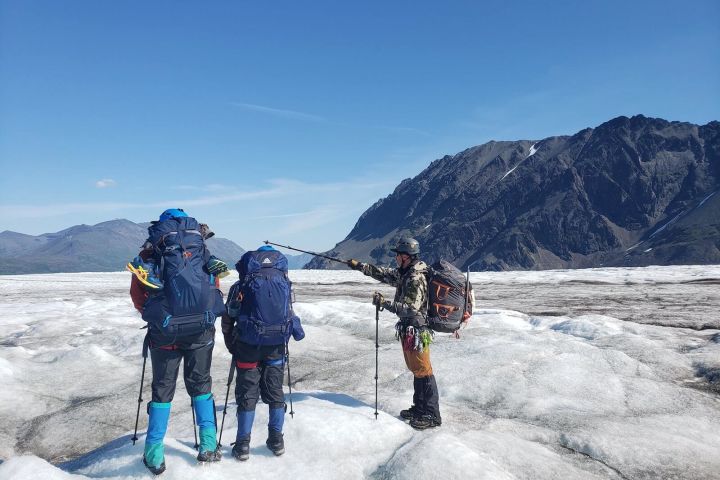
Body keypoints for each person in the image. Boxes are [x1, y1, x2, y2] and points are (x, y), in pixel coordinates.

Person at [129, 208, 227, 475]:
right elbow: (213, 287)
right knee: (201, 385)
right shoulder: (201, 253)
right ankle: (208, 446)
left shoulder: (151, 254)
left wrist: (161, 318)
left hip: (165, 334)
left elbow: (139, 296)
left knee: (162, 389)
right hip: (200, 332)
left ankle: (154, 455)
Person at [347, 237, 441, 430]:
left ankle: (431, 415)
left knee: (424, 371)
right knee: (417, 370)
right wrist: (360, 267)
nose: (396, 257)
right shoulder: (405, 273)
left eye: (398, 254)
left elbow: (409, 308)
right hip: (409, 330)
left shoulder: (415, 278)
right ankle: (419, 408)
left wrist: (384, 303)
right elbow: (384, 274)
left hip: (417, 329)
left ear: (406, 256)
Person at [221, 245, 305, 461]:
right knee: (275, 391)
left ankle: (242, 446)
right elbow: (288, 314)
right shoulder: (285, 285)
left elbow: (228, 320)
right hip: (276, 345)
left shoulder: (240, 286)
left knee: (247, 395)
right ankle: (276, 440)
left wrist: (234, 347)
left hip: (247, 348)